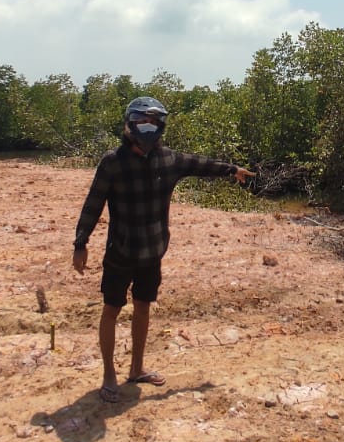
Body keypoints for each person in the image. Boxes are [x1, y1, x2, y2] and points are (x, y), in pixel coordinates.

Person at [71, 96, 254, 403]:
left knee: (143, 307)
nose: (148, 127)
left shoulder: (168, 160)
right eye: (142, 121)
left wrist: (231, 169)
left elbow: (200, 164)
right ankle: (108, 376)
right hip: (120, 252)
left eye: (153, 122)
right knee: (111, 309)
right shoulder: (113, 162)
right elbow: (94, 203)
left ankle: (137, 368)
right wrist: (81, 243)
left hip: (152, 252)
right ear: (129, 125)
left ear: (160, 126)